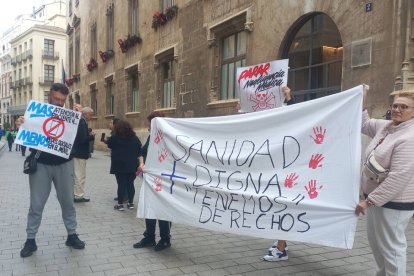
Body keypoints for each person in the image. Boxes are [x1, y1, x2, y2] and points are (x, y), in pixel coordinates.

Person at [19, 83, 85, 258]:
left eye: (63, 100)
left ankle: (72, 235)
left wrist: (80, 119)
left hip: (65, 164)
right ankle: (30, 240)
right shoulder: (37, 113)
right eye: (56, 99)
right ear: (49, 96)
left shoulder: (70, 116)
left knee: (68, 203)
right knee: (36, 204)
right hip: (41, 164)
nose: (59, 103)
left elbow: (81, 140)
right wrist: (21, 125)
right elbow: (25, 140)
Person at [355, 88, 414, 275]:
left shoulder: (409, 137)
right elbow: (363, 123)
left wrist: (368, 201)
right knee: (377, 247)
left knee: (392, 250)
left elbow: (399, 177)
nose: (397, 109)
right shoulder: (387, 126)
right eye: (395, 105)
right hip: (375, 200)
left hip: (394, 204)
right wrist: (362, 96)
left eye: (404, 106)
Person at [262, 86, 295, 262]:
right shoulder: (269, 112)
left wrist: (289, 98)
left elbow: (297, 115)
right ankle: (282, 242)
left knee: (283, 205)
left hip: (286, 168)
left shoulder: (284, 110)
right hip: (274, 167)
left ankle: (281, 250)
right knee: (278, 205)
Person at [133, 111, 172, 251]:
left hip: (165, 180)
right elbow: (142, 152)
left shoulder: (169, 137)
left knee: (163, 209)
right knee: (149, 207)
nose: (149, 126)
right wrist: (141, 164)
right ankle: (149, 237)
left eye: (151, 123)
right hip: (150, 178)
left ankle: (165, 238)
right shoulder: (152, 136)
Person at [107, 119, 141, 211]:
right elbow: (139, 148)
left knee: (121, 184)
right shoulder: (135, 138)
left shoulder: (115, 137)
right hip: (132, 164)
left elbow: (109, 145)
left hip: (119, 165)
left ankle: (120, 204)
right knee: (130, 184)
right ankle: (130, 203)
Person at [73, 107, 95, 203]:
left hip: (78, 153)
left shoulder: (81, 122)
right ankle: (78, 196)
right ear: (85, 114)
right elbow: (82, 139)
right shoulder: (82, 122)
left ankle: (76, 194)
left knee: (78, 175)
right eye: (90, 115)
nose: (91, 117)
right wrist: (91, 136)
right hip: (79, 153)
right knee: (80, 175)